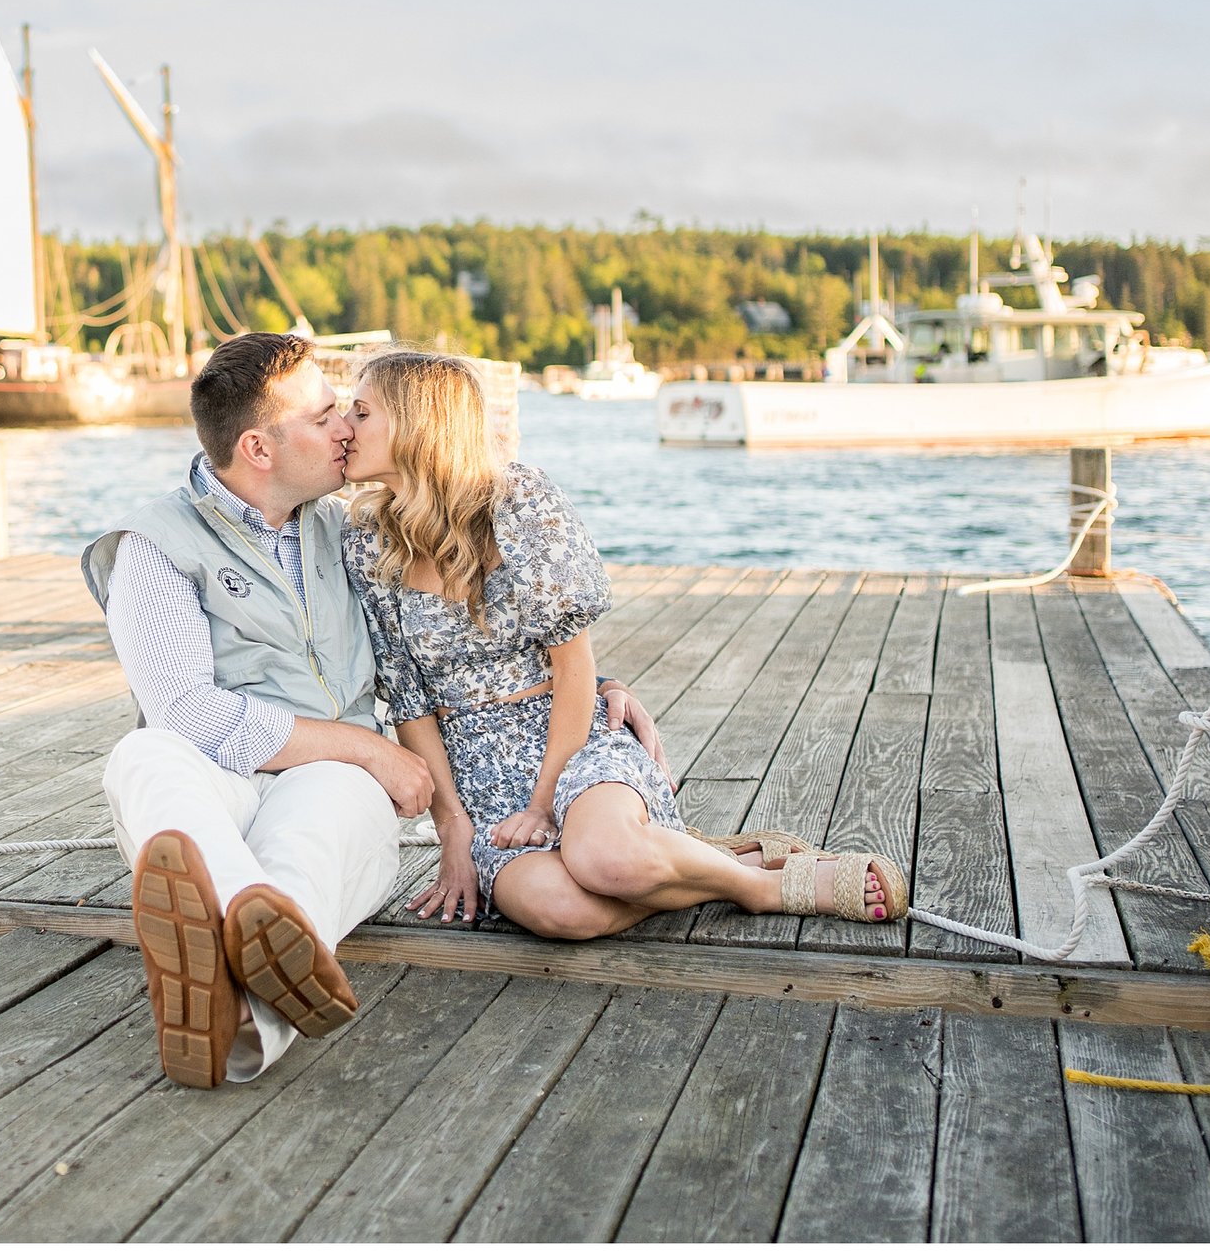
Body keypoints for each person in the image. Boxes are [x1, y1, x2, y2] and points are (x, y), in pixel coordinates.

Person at [83, 332, 667, 1089]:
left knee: (315, 839)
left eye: (348, 413)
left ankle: (232, 1003)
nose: (344, 429)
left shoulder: (357, 532)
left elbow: (467, 624)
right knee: (143, 757)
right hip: (226, 769)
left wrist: (599, 680)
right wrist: (371, 749)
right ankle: (243, 961)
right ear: (260, 447)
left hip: (329, 777)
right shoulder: (154, 547)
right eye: (326, 415)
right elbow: (187, 713)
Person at [339, 349, 909, 938]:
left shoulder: (519, 503)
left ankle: (759, 887)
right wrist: (454, 828)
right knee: (561, 910)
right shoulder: (365, 541)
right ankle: (703, 860)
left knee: (603, 859)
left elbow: (574, 668)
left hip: (567, 735)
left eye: (360, 412)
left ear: (416, 424)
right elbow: (408, 702)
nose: (343, 427)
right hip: (476, 775)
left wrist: (543, 802)